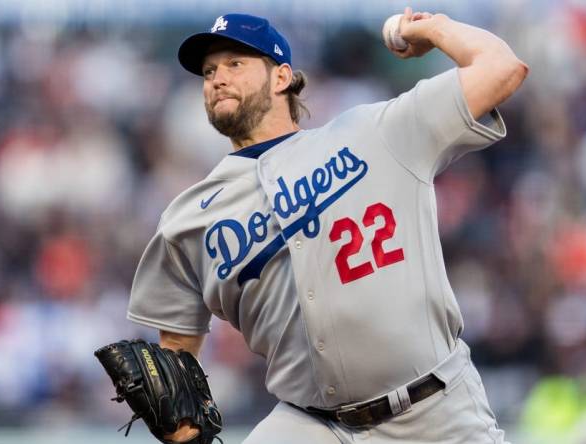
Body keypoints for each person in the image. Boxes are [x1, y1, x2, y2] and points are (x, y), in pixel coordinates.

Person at [127, 7, 528, 443]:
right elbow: (175, 363)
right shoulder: (188, 219)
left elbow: (501, 67)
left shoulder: (374, 133)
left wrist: (435, 28)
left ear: (281, 77)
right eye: (208, 71)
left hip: (433, 410)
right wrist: (180, 428)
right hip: (312, 424)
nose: (217, 78)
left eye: (235, 64)